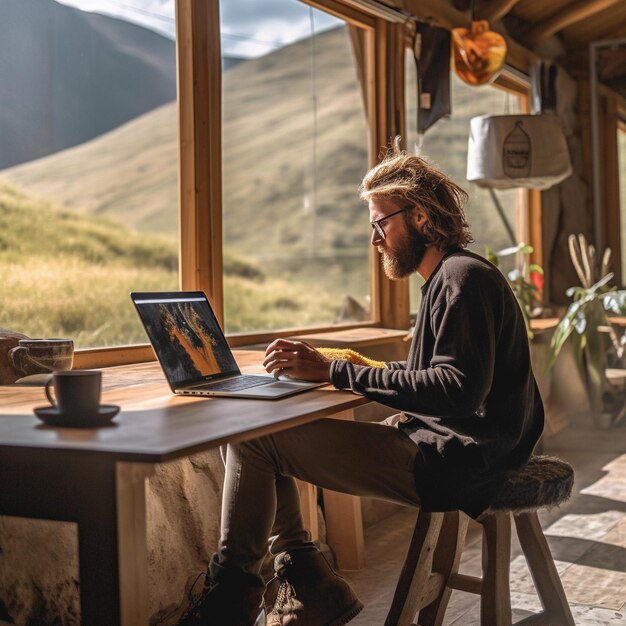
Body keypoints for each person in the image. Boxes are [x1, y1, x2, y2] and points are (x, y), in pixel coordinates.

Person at [178, 138, 544, 626]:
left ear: (418, 216)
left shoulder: (461, 280)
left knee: (252, 438)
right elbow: (436, 377)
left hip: (458, 462)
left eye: (380, 222)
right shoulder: (451, 279)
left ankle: (237, 603)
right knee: (252, 436)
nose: (374, 237)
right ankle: (305, 579)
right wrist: (347, 364)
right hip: (462, 450)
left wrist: (334, 371)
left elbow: (457, 389)